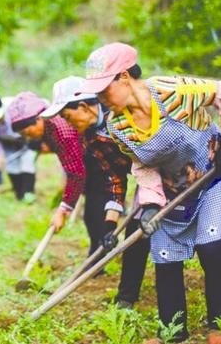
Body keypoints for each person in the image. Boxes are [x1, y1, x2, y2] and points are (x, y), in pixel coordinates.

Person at [77, 42, 221, 344]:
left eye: (105, 89)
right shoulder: (117, 126)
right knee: (165, 255)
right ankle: (173, 332)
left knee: (209, 243)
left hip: (212, 175)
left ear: (125, 76)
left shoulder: (170, 91)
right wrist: (152, 204)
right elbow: (142, 167)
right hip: (172, 189)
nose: (101, 98)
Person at [40, 76, 148, 308]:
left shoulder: (123, 112)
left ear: (83, 107)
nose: (68, 125)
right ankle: (126, 298)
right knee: (136, 231)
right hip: (145, 179)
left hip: (172, 168)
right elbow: (114, 179)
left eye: (67, 117)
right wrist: (109, 225)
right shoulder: (90, 138)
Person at [7, 92, 85, 232]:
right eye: (24, 135)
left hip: (98, 167)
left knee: (95, 218)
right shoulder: (47, 127)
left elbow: (75, 174)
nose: (28, 137)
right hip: (83, 165)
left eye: (28, 132)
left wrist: (63, 209)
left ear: (38, 118)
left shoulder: (61, 131)